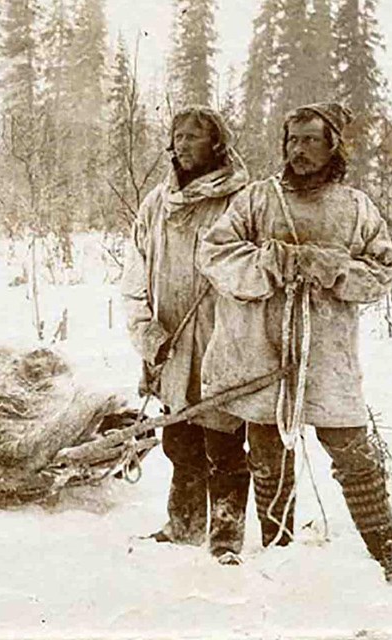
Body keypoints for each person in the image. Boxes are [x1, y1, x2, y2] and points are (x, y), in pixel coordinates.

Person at [199, 102, 392, 582]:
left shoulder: (356, 207)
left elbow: (382, 273)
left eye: (311, 140)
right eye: (292, 140)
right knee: (268, 456)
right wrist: (270, 263)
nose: (298, 150)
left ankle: (389, 554)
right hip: (259, 354)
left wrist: (337, 269)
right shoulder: (257, 200)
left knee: (355, 455)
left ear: (333, 145)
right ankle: (280, 556)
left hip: (326, 358)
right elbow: (214, 255)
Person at [121, 106, 250, 564]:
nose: (183, 144)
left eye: (194, 136)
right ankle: (184, 526)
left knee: (223, 440)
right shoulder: (156, 204)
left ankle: (226, 538)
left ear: (217, 143)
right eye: (177, 135)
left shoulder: (241, 201)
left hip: (223, 343)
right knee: (178, 440)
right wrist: (146, 333)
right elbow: (133, 278)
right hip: (170, 345)